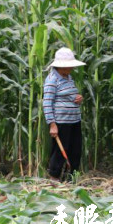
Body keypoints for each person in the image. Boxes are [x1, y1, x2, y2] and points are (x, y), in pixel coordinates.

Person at [43, 47, 85, 181]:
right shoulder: (52, 79)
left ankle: (71, 178)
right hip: (62, 122)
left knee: (75, 150)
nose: (72, 68)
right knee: (60, 152)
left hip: (74, 120)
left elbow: (69, 96)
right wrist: (52, 124)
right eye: (69, 65)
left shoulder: (68, 77)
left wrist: (78, 98)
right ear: (61, 66)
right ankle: (54, 178)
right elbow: (47, 102)